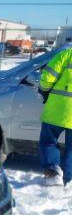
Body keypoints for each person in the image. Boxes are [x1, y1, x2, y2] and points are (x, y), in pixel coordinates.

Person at [38, 46, 72, 186]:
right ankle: (68, 179)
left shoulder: (67, 54)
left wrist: (44, 90)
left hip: (58, 109)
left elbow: (48, 76)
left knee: (48, 141)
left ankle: (53, 173)